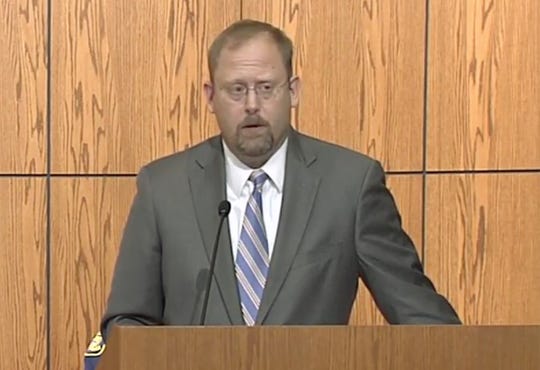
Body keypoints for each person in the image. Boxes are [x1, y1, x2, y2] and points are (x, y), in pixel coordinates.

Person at [99, 19, 461, 345]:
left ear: (293, 92)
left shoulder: (350, 185)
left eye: (266, 88)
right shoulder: (164, 188)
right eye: (237, 90)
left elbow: (422, 318)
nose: (252, 104)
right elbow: (126, 323)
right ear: (210, 97)